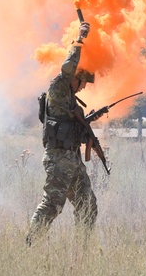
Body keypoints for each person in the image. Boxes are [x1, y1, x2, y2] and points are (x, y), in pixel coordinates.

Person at [26, 20, 98, 245]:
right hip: (58, 159)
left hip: (73, 160)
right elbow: (68, 68)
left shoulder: (71, 101)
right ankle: (32, 242)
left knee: (88, 205)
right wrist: (81, 39)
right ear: (75, 78)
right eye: (83, 82)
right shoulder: (59, 86)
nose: (84, 86)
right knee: (53, 204)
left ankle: (81, 250)